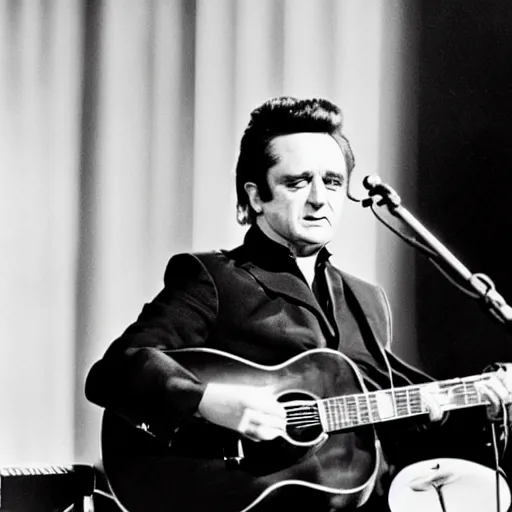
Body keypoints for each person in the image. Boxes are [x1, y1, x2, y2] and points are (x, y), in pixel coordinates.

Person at [85, 96, 512, 512]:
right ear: (256, 197)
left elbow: (389, 427)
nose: (318, 198)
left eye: (332, 181)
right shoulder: (214, 278)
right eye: (296, 182)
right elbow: (116, 369)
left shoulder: (367, 301)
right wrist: (208, 401)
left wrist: (450, 410)